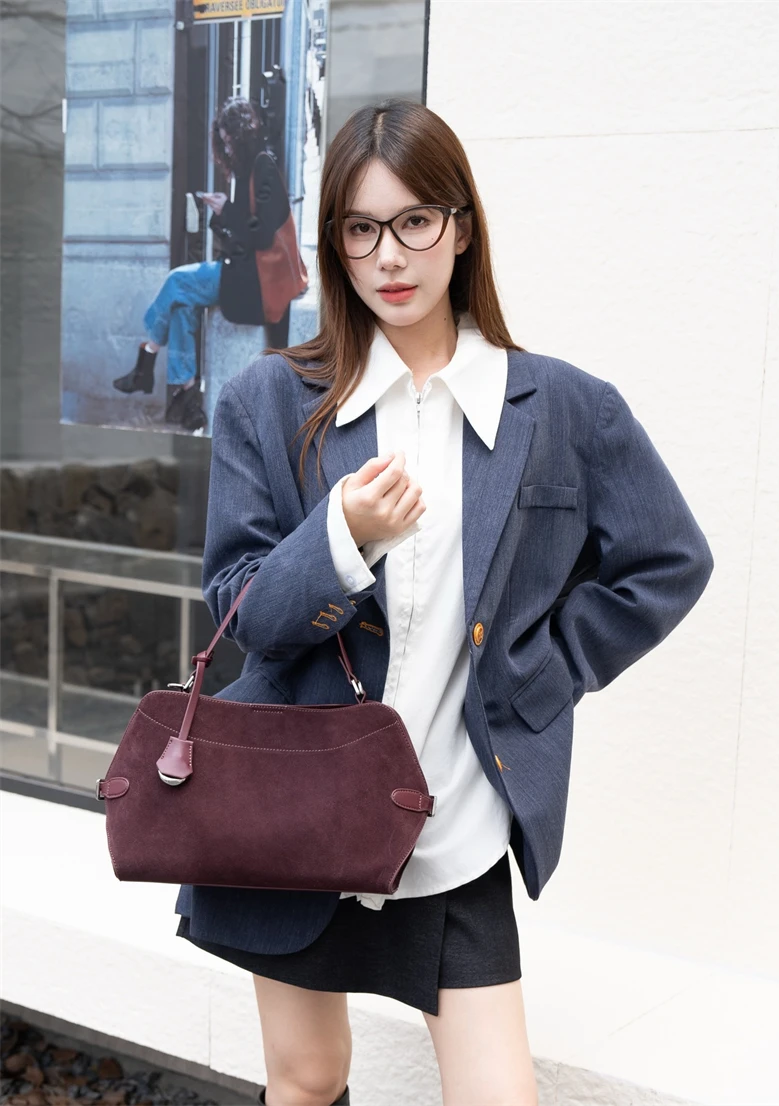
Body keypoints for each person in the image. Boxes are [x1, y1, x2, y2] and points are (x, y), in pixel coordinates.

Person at [173, 98, 714, 1106]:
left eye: (416, 220)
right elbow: (241, 613)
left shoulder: (562, 407)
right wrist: (340, 538)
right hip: (289, 807)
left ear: (461, 228)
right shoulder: (270, 401)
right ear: (335, 243)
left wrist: (539, 674)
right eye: (361, 228)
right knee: (307, 1076)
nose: (390, 255)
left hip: (453, 818)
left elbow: (667, 560)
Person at [112, 96, 291, 432]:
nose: (227, 147)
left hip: (256, 281)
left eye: (229, 140)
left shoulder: (262, 167)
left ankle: (148, 356)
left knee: (177, 281)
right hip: (244, 270)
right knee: (182, 306)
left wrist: (226, 210)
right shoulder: (250, 170)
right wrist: (222, 213)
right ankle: (187, 393)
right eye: (223, 141)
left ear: (242, 134)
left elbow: (262, 234)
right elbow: (244, 231)